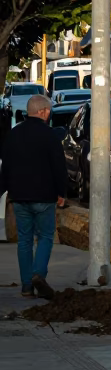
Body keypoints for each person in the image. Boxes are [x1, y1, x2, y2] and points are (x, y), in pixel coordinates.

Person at [0, 93, 68, 298]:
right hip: (44, 197)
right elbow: (59, 167)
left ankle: (26, 287)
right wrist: (61, 192)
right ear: (43, 112)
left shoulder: (13, 134)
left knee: (24, 241)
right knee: (45, 237)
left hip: (19, 197)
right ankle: (38, 274)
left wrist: (3, 189)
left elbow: (6, 167)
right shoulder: (50, 136)